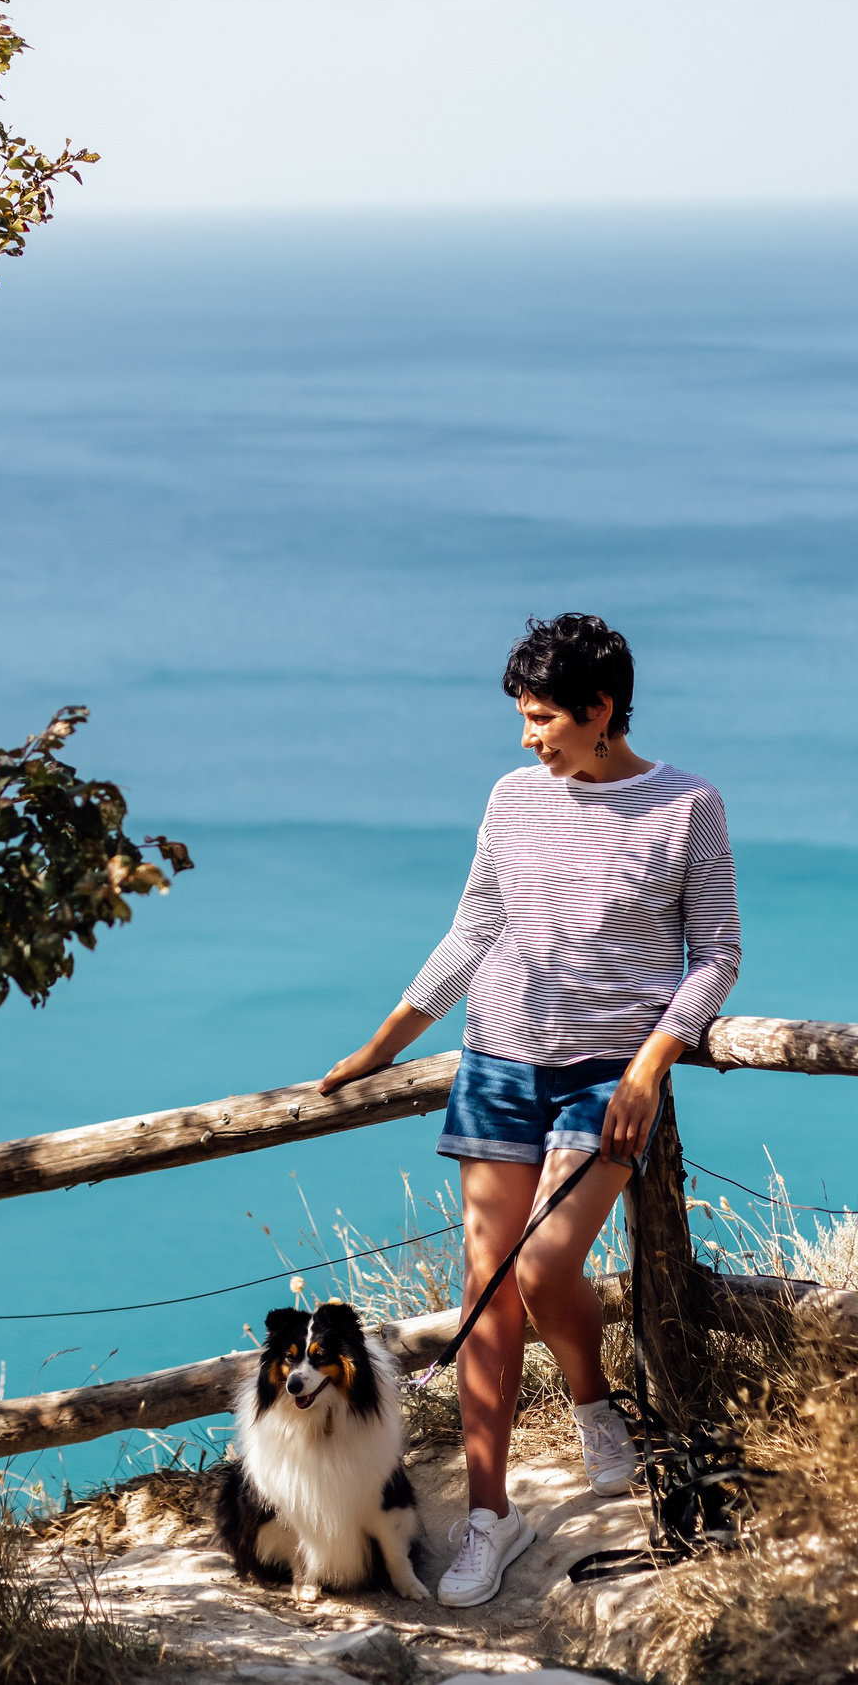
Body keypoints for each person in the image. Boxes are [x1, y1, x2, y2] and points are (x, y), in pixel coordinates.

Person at [318, 613, 741, 1608]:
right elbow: (473, 930)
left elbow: (717, 952)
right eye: (522, 715)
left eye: (543, 716)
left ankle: (594, 1402)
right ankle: (487, 1517)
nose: (526, 736)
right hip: (496, 1063)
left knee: (546, 1266)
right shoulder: (512, 799)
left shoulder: (688, 807)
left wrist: (650, 1067)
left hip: (604, 1073)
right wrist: (384, 1044)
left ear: (600, 712)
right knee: (484, 1294)